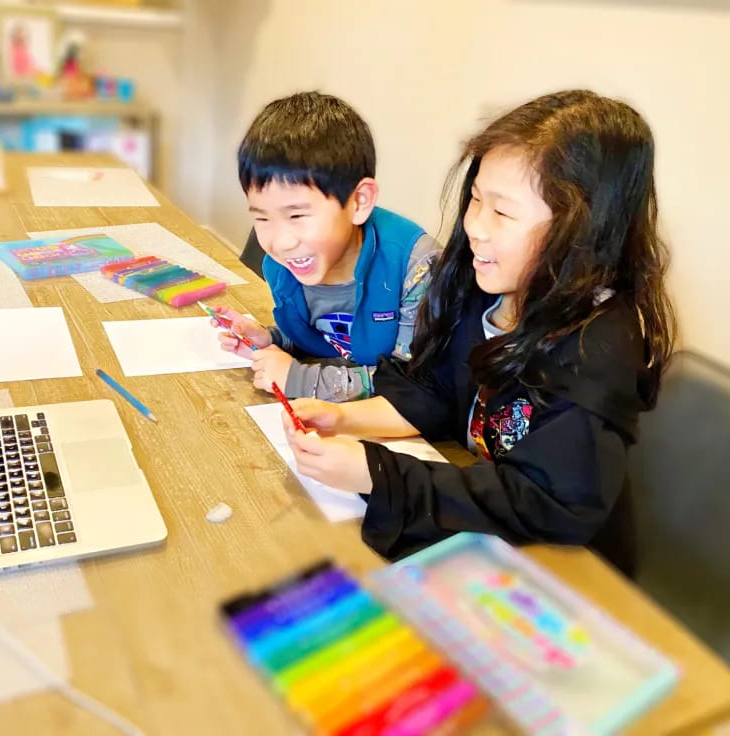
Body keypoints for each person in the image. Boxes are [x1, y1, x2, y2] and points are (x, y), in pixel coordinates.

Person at [282, 90, 675, 572]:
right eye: (474, 200)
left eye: (503, 212)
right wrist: (345, 418)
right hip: (484, 537)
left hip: (565, 573)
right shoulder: (489, 288)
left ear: (584, 227)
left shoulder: (597, 347)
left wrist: (375, 472)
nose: (475, 228)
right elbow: (437, 388)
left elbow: (543, 503)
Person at [211, 91, 439, 402]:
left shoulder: (417, 266)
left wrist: (304, 380)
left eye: (297, 215)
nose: (280, 242)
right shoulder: (283, 265)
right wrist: (271, 340)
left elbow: (413, 382)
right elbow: (328, 339)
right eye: (262, 219)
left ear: (358, 202)